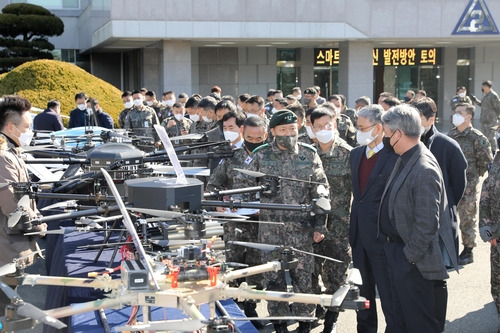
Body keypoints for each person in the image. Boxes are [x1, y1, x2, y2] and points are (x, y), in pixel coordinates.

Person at [234, 110, 329, 333]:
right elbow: (241, 183)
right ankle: (279, 326)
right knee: (273, 279)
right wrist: (251, 205)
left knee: (303, 279)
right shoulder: (260, 155)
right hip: (270, 232)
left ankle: (305, 325)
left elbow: (322, 192)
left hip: (302, 230)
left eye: (293, 128)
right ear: (273, 132)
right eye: (283, 130)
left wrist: (320, 225)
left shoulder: (308, 154)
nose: (289, 133)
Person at [379, 104, 451, 332]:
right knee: (399, 322)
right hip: (398, 255)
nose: (384, 137)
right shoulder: (406, 157)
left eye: (386, 133)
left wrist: (407, 258)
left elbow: (427, 223)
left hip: (413, 263)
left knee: (419, 324)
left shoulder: (423, 167)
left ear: (398, 134)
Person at [412, 97, 465, 331]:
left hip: (440, 224)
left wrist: (444, 208)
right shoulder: (404, 142)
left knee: (436, 280)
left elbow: (458, 185)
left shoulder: (448, 146)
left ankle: (436, 326)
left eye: (417, 120)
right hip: (412, 222)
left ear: (430, 120)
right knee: (413, 278)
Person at [349, 104, 398, 333]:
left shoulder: (394, 156)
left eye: (361, 127)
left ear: (378, 128)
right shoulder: (355, 154)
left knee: (389, 295)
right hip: (359, 237)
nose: (357, 132)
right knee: (363, 294)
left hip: (383, 237)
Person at [0, 95, 47, 315]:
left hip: (7, 248)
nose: (30, 132)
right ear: (10, 127)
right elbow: (13, 207)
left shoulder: (10, 151)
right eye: (27, 127)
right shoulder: (2, 156)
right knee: (4, 310)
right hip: (4, 251)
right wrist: (39, 225)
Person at [310, 107, 352, 333]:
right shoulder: (306, 153)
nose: (324, 129)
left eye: (328, 125)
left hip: (339, 225)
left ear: (335, 125)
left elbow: (360, 193)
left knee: (336, 273)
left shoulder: (348, 154)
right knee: (311, 271)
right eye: (318, 126)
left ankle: (331, 319)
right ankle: (317, 308)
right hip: (311, 224)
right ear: (312, 128)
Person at [448, 103, 493, 265]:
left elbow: (486, 163)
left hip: (468, 186)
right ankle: (449, 250)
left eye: (460, 112)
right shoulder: (451, 135)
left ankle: (468, 251)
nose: (456, 114)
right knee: (448, 218)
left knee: (467, 219)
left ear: (469, 116)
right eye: (455, 112)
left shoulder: (477, 138)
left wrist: (473, 178)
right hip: (450, 184)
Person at [479, 136, 500, 319]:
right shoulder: (498, 158)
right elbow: (486, 192)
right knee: (497, 286)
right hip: (496, 237)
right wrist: (487, 227)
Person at [471, 80, 500, 152]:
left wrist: (498, 117)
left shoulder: (493, 95)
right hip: (484, 120)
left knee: (491, 137)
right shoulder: (486, 95)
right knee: (485, 137)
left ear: (488, 87)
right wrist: (475, 100)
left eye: (484, 86)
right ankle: (487, 151)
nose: (483, 88)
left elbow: (498, 107)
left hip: (491, 120)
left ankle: (493, 152)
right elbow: (482, 104)